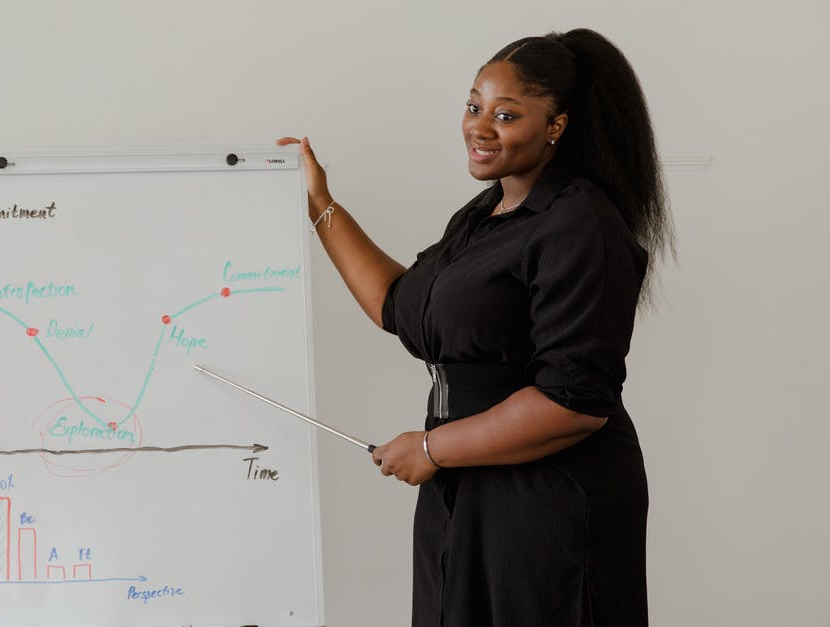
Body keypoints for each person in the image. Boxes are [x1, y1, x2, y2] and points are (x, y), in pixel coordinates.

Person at [278, 27, 671, 627]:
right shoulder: (487, 211)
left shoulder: (580, 225)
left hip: (546, 496)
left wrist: (434, 448)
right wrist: (319, 205)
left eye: (506, 114)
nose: (479, 126)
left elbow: (574, 403)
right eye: (473, 106)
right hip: (462, 485)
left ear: (557, 126)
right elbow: (396, 304)